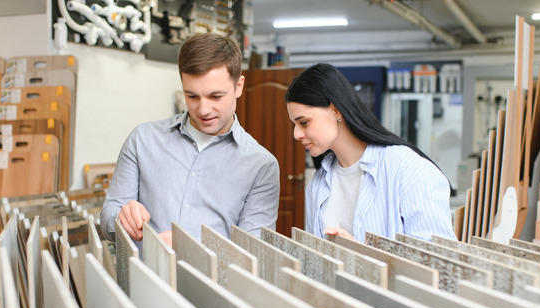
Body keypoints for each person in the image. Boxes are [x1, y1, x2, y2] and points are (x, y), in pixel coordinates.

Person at [100, 33, 280, 246]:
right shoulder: (142, 140)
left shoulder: (261, 165)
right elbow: (108, 217)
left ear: (239, 86)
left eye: (215, 96)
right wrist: (121, 219)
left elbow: (253, 250)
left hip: (211, 280)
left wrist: (190, 246)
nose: (203, 110)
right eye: (192, 96)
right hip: (144, 278)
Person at [285, 63, 457, 242]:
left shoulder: (408, 169)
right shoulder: (318, 183)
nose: (296, 134)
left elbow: (435, 262)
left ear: (335, 110)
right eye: (294, 125)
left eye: (304, 122)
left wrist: (360, 255)